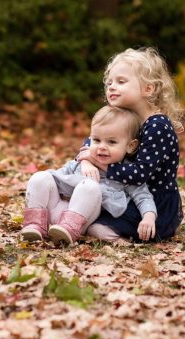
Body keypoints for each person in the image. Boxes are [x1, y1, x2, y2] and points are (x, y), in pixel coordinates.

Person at [80, 46, 185, 243]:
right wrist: (85, 162)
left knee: (93, 226)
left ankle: (123, 239)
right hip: (124, 194)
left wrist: (99, 164)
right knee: (79, 207)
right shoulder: (124, 118)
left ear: (148, 89)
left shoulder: (157, 125)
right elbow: (91, 144)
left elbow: (139, 174)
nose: (111, 87)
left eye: (121, 82)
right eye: (109, 82)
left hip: (152, 205)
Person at [20, 105, 157, 246]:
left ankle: (67, 230)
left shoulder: (127, 174)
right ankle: (34, 224)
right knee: (41, 177)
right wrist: (83, 162)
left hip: (81, 221)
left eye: (111, 142)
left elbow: (143, 197)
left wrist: (149, 217)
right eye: (96, 140)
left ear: (130, 146)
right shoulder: (82, 161)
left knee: (89, 185)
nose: (101, 147)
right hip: (55, 210)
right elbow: (57, 179)